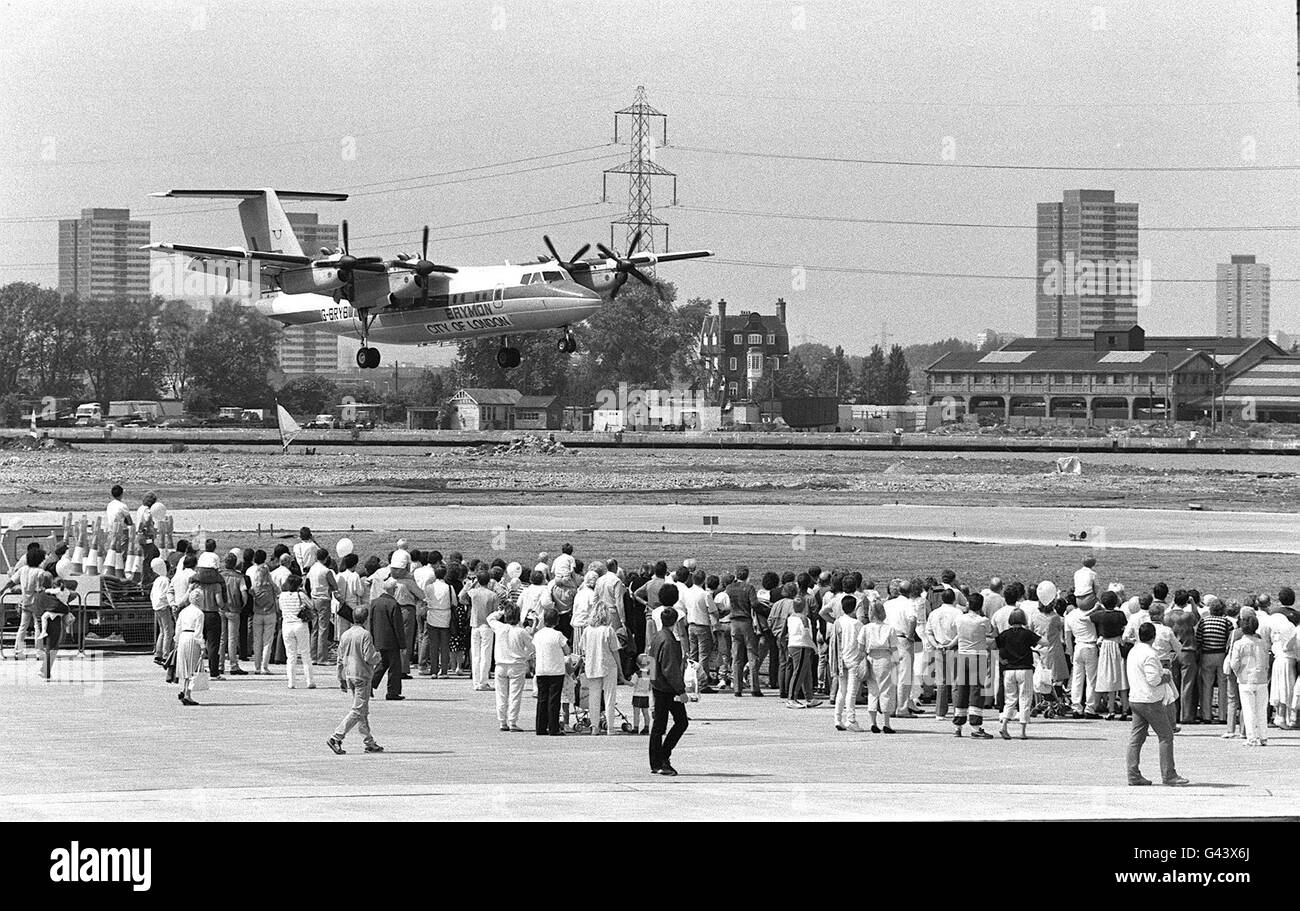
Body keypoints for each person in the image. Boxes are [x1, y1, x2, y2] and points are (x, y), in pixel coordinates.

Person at [1126, 622, 1188, 786]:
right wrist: (1166, 677)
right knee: (1166, 736)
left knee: (1136, 738)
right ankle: (1169, 774)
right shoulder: (1150, 654)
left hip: (1135, 697)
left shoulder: (1134, 651)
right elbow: (1153, 680)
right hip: (1150, 700)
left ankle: (1133, 774)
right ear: (1153, 637)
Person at [328, 604, 384, 755]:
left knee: (362, 710)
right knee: (358, 710)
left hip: (350, 674)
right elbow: (369, 657)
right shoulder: (365, 634)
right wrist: (378, 656)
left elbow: (340, 658)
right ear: (366, 619)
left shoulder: (345, 634)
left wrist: (341, 678)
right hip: (362, 675)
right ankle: (336, 737)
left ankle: (369, 742)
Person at [648, 606, 689, 776]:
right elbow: (670, 669)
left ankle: (657, 760)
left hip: (658, 684)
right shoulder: (669, 641)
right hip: (668, 688)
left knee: (659, 725)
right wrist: (681, 691)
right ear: (676, 622)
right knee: (679, 722)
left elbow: (649, 660)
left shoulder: (657, 637)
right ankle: (662, 758)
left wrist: (650, 680)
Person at [487, 604, 534, 732]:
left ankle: (502, 721)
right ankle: (512, 721)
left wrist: (500, 612)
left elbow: (489, 618)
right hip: (517, 665)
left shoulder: (500, 628)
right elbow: (532, 648)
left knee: (501, 695)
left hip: (500, 664)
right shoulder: (521, 631)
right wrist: (525, 656)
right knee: (515, 695)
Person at [953, 592, 993, 739]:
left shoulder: (959, 619)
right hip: (978, 656)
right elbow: (991, 633)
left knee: (962, 690)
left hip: (962, 655)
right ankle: (975, 726)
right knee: (976, 691)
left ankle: (958, 725)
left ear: (968, 604)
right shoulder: (983, 620)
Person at [995, 608, 1040, 740]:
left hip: (1009, 670)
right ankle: (1022, 731)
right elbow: (1044, 642)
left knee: (1010, 699)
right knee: (1025, 698)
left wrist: (1000, 659)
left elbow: (993, 644)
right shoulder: (1027, 634)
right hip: (1024, 669)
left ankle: (1004, 725)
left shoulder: (1005, 634)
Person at [1228, 611, 1271, 746]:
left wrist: (1238, 673)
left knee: (1248, 709)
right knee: (1261, 709)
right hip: (1261, 678)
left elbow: (1234, 663)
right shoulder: (1263, 643)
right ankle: (1263, 736)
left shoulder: (1239, 644)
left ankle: (1251, 737)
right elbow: (1267, 661)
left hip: (1245, 679)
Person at [580, 604, 621, 735]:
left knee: (594, 697)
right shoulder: (608, 630)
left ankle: (594, 726)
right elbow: (615, 651)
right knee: (610, 697)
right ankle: (610, 727)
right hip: (608, 665)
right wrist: (620, 669)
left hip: (592, 665)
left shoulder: (587, 630)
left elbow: (583, 648)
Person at [860, 601, 899, 734]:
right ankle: (886, 723)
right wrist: (897, 661)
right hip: (885, 658)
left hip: (870, 657)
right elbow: (894, 647)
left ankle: (873, 722)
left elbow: (860, 646)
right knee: (885, 690)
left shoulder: (866, 628)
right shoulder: (889, 628)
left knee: (872, 690)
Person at [924, 588, 962, 718]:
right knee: (956, 681)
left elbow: (928, 632)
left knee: (941, 681)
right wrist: (951, 644)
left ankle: (940, 712)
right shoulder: (958, 612)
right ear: (954, 599)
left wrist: (936, 645)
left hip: (939, 648)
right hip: (954, 648)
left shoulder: (934, 613)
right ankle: (958, 710)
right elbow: (960, 632)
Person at [532, 607, 570, 736]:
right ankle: (554, 728)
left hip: (541, 669)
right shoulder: (558, 635)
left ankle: (540, 727)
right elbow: (567, 650)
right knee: (554, 700)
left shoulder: (538, 634)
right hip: (556, 670)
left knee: (542, 699)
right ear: (557, 621)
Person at [726, 566, 763, 697]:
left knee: (736, 655)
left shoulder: (729, 588)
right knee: (752, 653)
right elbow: (755, 604)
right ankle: (754, 687)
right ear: (747, 575)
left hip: (733, 622)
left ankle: (737, 687)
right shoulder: (749, 588)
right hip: (746, 621)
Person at [1195, 599, 1233, 723]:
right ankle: (1223, 715)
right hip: (1221, 654)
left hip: (1207, 654)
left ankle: (1206, 715)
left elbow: (1198, 639)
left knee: (1207, 685)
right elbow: (1230, 640)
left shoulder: (1204, 621)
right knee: (1223, 685)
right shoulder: (1226, 622)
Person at [369, 577, 407, 700]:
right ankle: (392, 692)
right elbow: (398, 626)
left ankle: (370, 684)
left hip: (379, 639)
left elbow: (371, 622)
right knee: (395, 666)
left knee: (383, 663)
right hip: (392, 640)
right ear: (393, 589)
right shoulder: (393, 604)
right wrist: (402, 644)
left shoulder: (374, 602)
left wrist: (373, 639)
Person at [1093, 591, 1129, 720]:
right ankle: (1125, 709)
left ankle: (1111, 710)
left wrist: (1095, 607)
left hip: (1106, 646)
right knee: (1122, 679)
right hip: (1118, 643)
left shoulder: (1099, 616)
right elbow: (1124, 625)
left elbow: (1086, 617)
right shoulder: (1120, 614)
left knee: (1109, 678)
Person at [830, 594, 864, 732]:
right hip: (854, 659)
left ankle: (837, 718)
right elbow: (862, 642)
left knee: (841, 690)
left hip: (840, 659)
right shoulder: (857, 624)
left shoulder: (838, 622)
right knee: (852, 691)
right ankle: (851, 719)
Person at [463, 569, 499, 691]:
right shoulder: (492, 595)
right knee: (486, 654)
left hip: (475, 625)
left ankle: (476, 681)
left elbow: (461, 597)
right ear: (489, 581)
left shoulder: (473, 592)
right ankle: (483, 682)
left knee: (475, 654)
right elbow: (495, 612)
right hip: (487, 626)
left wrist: (472, 584)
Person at [278, 575, 315, 690]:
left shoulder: (282, 596)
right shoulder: (301, 595)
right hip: (300, 624)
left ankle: (291, 682)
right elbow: (311, 605)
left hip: (287, 625)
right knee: (305, 654)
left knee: (291, 656)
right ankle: (309, 681)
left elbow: (280, 609)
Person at [246, 550, 279, 675]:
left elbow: (250, 592)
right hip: (270, 614)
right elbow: (278, 590)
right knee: (267, 641)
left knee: (257, 641)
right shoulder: (271, 586)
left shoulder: (254, 588)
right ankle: (265, 666)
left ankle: (257, 666)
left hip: (257, 613)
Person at [175, 589, 207, 706]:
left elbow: (178, 627)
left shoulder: (183, 611)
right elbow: (199, 632)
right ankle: (188, 694)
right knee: (193, 668)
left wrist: (176, 640)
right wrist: (203, 646)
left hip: (183, 637)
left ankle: (184, 690)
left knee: (184, 666)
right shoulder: (199, 613)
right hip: (192, 638)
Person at [218, 554, 248, 676]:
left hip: (221, 608)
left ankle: (220, 665)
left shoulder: (220, 576)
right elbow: (244, 593)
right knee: (232, 639)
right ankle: (233, 665)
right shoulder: (239, 577)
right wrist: (243, 605)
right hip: (234, 609)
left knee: (221, 638)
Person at [149, 556, 174, 666]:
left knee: (162, 631)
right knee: (168, 631)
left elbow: (153, 595)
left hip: (156, 607)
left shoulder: (157, 580)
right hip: (163, 607)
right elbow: (166, 595)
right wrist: (171, 604)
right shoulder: (166, 580)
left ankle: (158, 654)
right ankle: (165, 655)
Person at [630, 654, 653, 734]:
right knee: (646, 712)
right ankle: (646, 727)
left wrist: (624, 680)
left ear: (637, 664)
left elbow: (632, 684)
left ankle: (636, 728)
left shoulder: (637, 674)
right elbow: (650, 686)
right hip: (645, 695)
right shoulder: (649, 674)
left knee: (636, 713)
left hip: (637, 695)